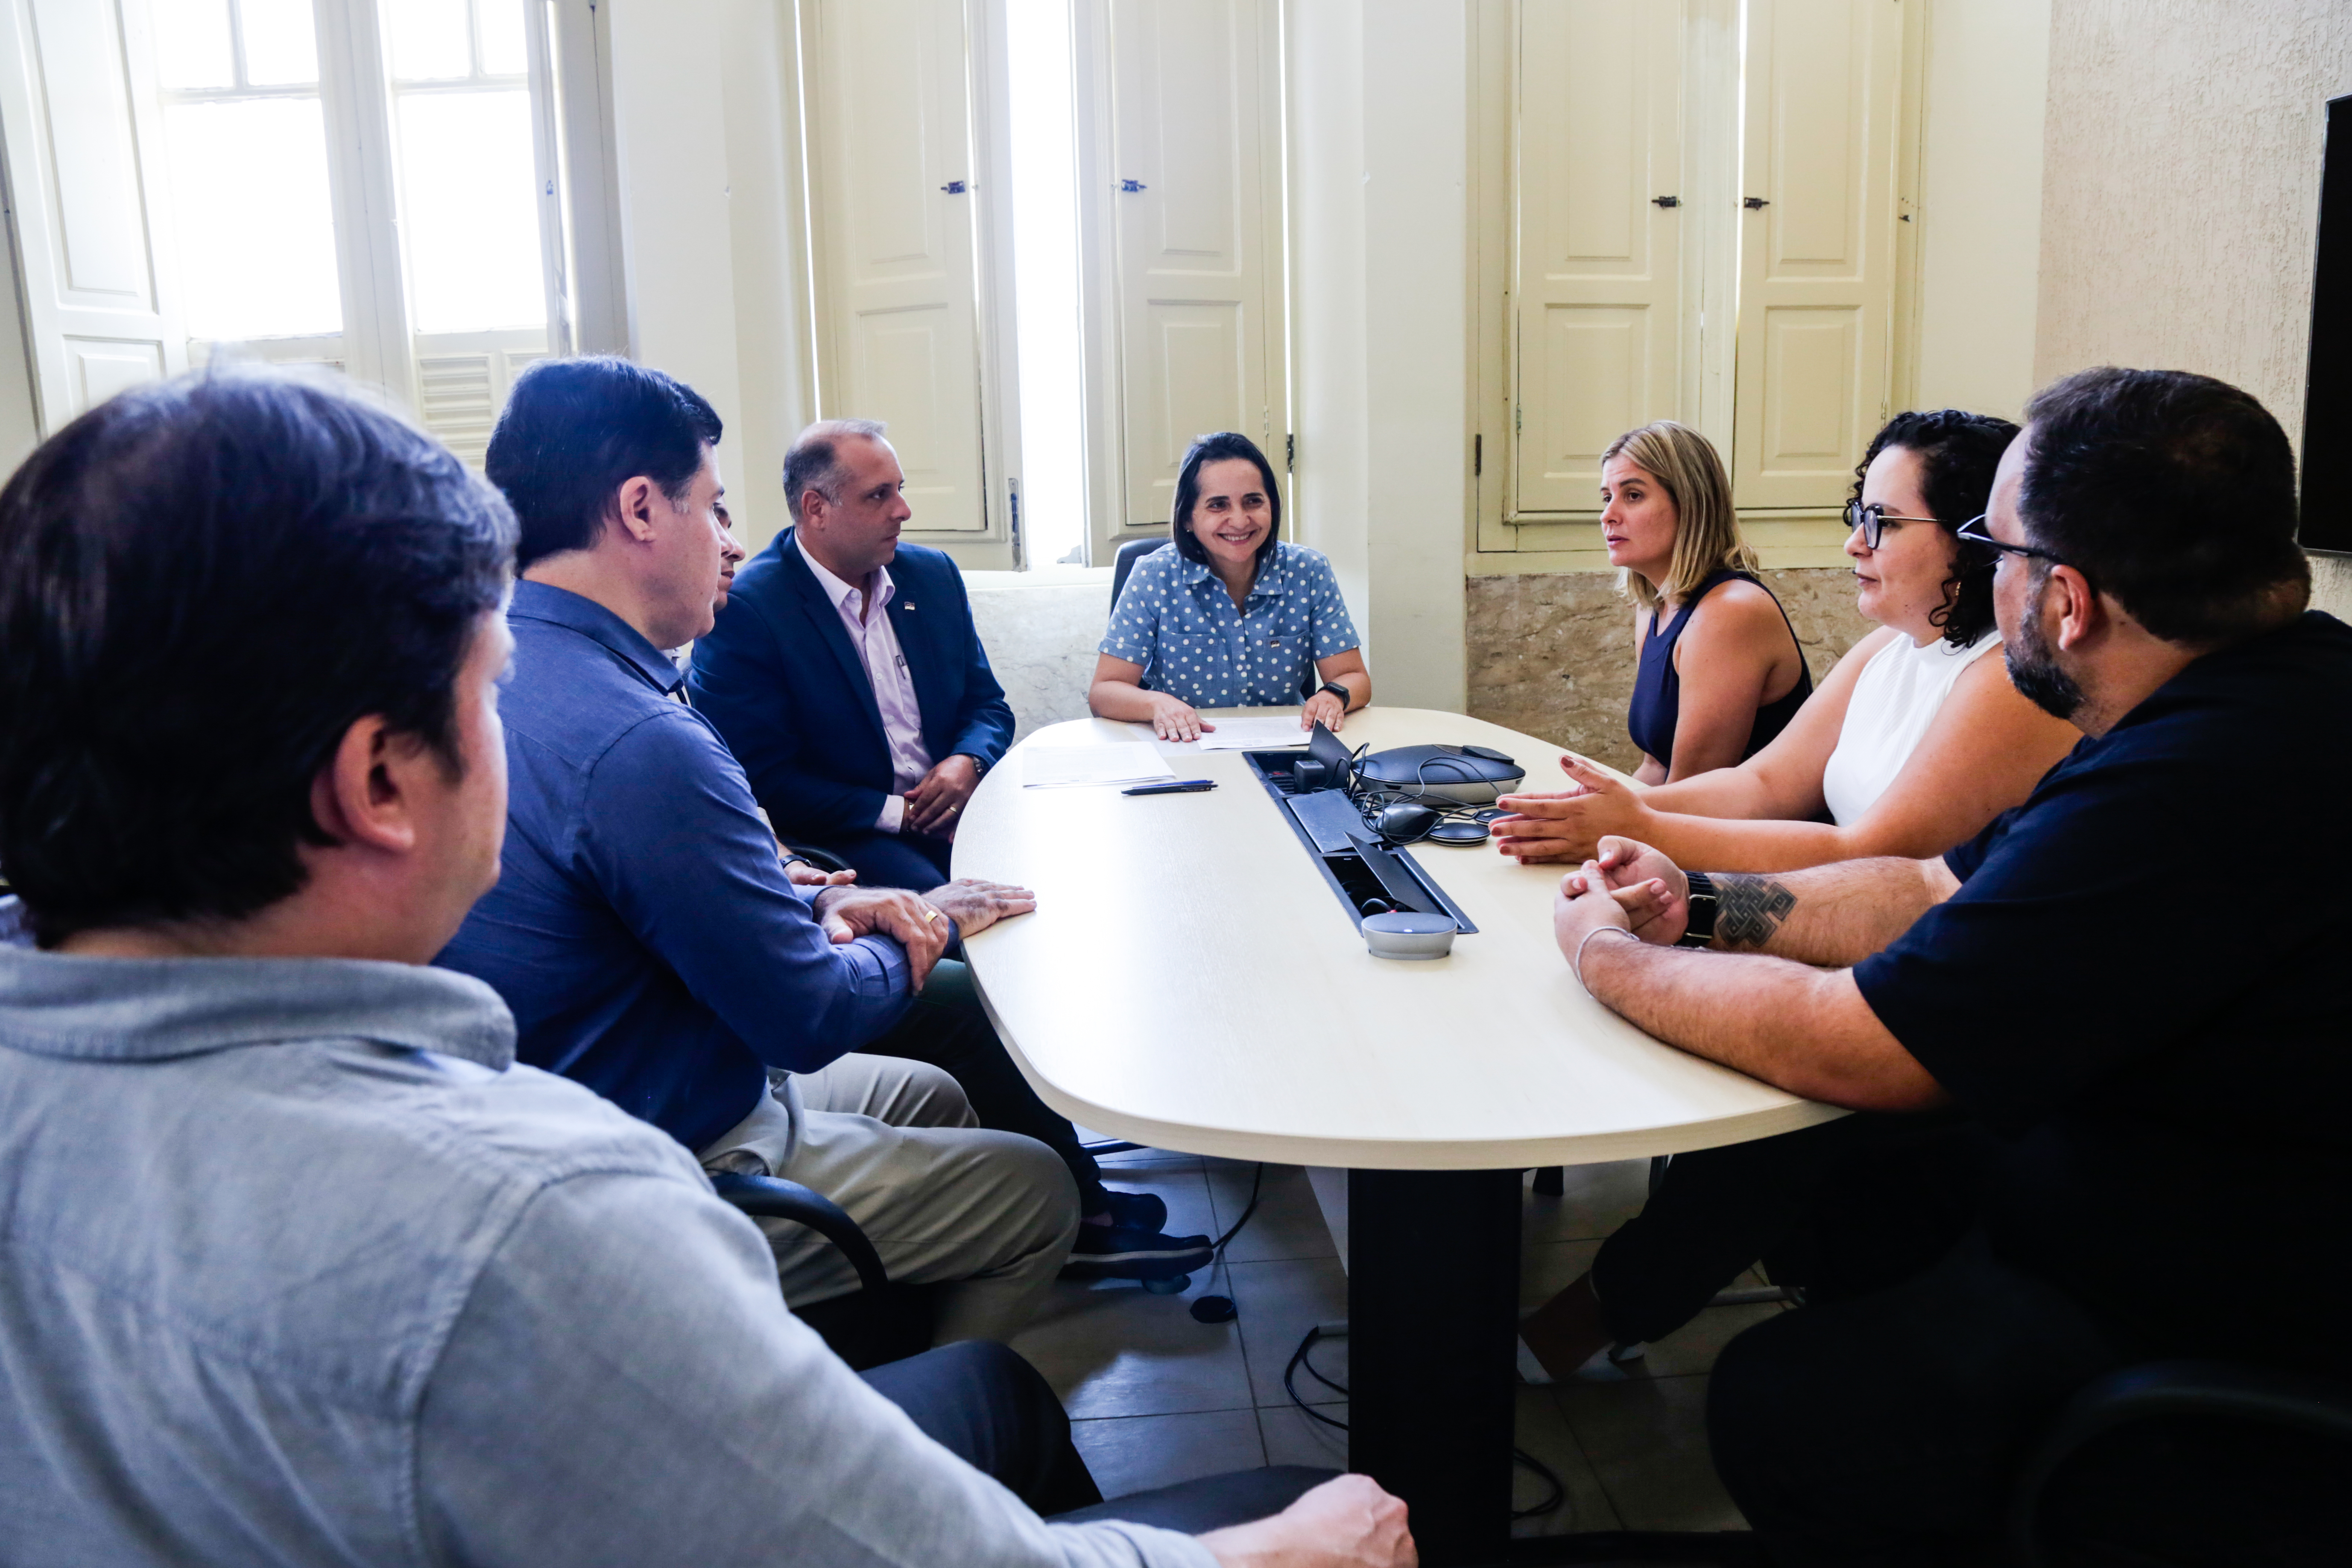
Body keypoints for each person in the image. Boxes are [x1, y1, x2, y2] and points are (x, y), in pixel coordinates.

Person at [0, 366, 1418, 1568]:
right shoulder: (539, 1221)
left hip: (698, 1085)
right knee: (1266, 1465)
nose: (517, 736)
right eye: (488, 693)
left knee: (928, 1101)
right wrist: (1285, 1547)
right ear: (379, 781)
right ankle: (831, 1402)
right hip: (698, 1137)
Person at [1550, 367, 2349, 1564]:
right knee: (1845, 1198)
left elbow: (1863, 1043)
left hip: (2196, 1318)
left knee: (1782, 1399)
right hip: (2135, 1206)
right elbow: (1927, 884)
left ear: (2065, 598)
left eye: (1997, 547)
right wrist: (1701, 906)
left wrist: (1607, 956)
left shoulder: (2201, 778)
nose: (1988, 575)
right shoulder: (2242, 688)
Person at [437, 360, 1214, 1321]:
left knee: (941, 1094)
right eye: (713, 509)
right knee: (1032, 1190)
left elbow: (646, 877)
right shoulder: (639, 734)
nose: (727, 540)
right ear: (642, 509)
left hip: (600, 1100)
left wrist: (815, 897)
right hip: (671, 1153)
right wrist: (915, 929)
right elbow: (803, 1014)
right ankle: (921, 1434)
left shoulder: (499, 667)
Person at [1492, 409, 2077, 872]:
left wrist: (1639, 826)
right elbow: (1762, 783)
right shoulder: (1887, 649)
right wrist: (1595, 810)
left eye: (1886, 523)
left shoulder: (2006, 679)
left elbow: (1870, 854)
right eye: (1859, 517)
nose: (1855, 544)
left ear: (1976, 539)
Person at [690, 419, 1012, 891]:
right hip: (853, 834)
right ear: (816, 508)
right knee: (956, 911)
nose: (903, 510)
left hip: (962, 807)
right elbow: (762, 780)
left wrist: (969, 761)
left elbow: (988, 706)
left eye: (900, 489)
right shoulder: (746, 611)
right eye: (879, 496)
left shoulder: (933, 576)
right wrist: (900, 814)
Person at [1091, 432, 1370, 743]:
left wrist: (1334, 696)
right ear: (1188, 518)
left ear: (1272, 507)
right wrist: (1157, 704)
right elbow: (1104, 692)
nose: (1239, 521)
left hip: (1284, 747)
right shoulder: (1154, 575)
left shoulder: (1308, 571)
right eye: (1218, 505)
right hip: (1183, 746)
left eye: (1253, 501)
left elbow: (1355, 678)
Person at [1602, 421, 1812, 781]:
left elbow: (1692, 793)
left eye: (1633, 496)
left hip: (1756, 834)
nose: (1608, 515)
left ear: (1690, 504)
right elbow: (1656, 767)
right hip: (1691, 825)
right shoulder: (1653, 607)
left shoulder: (1731, 612)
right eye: (1607, 497)